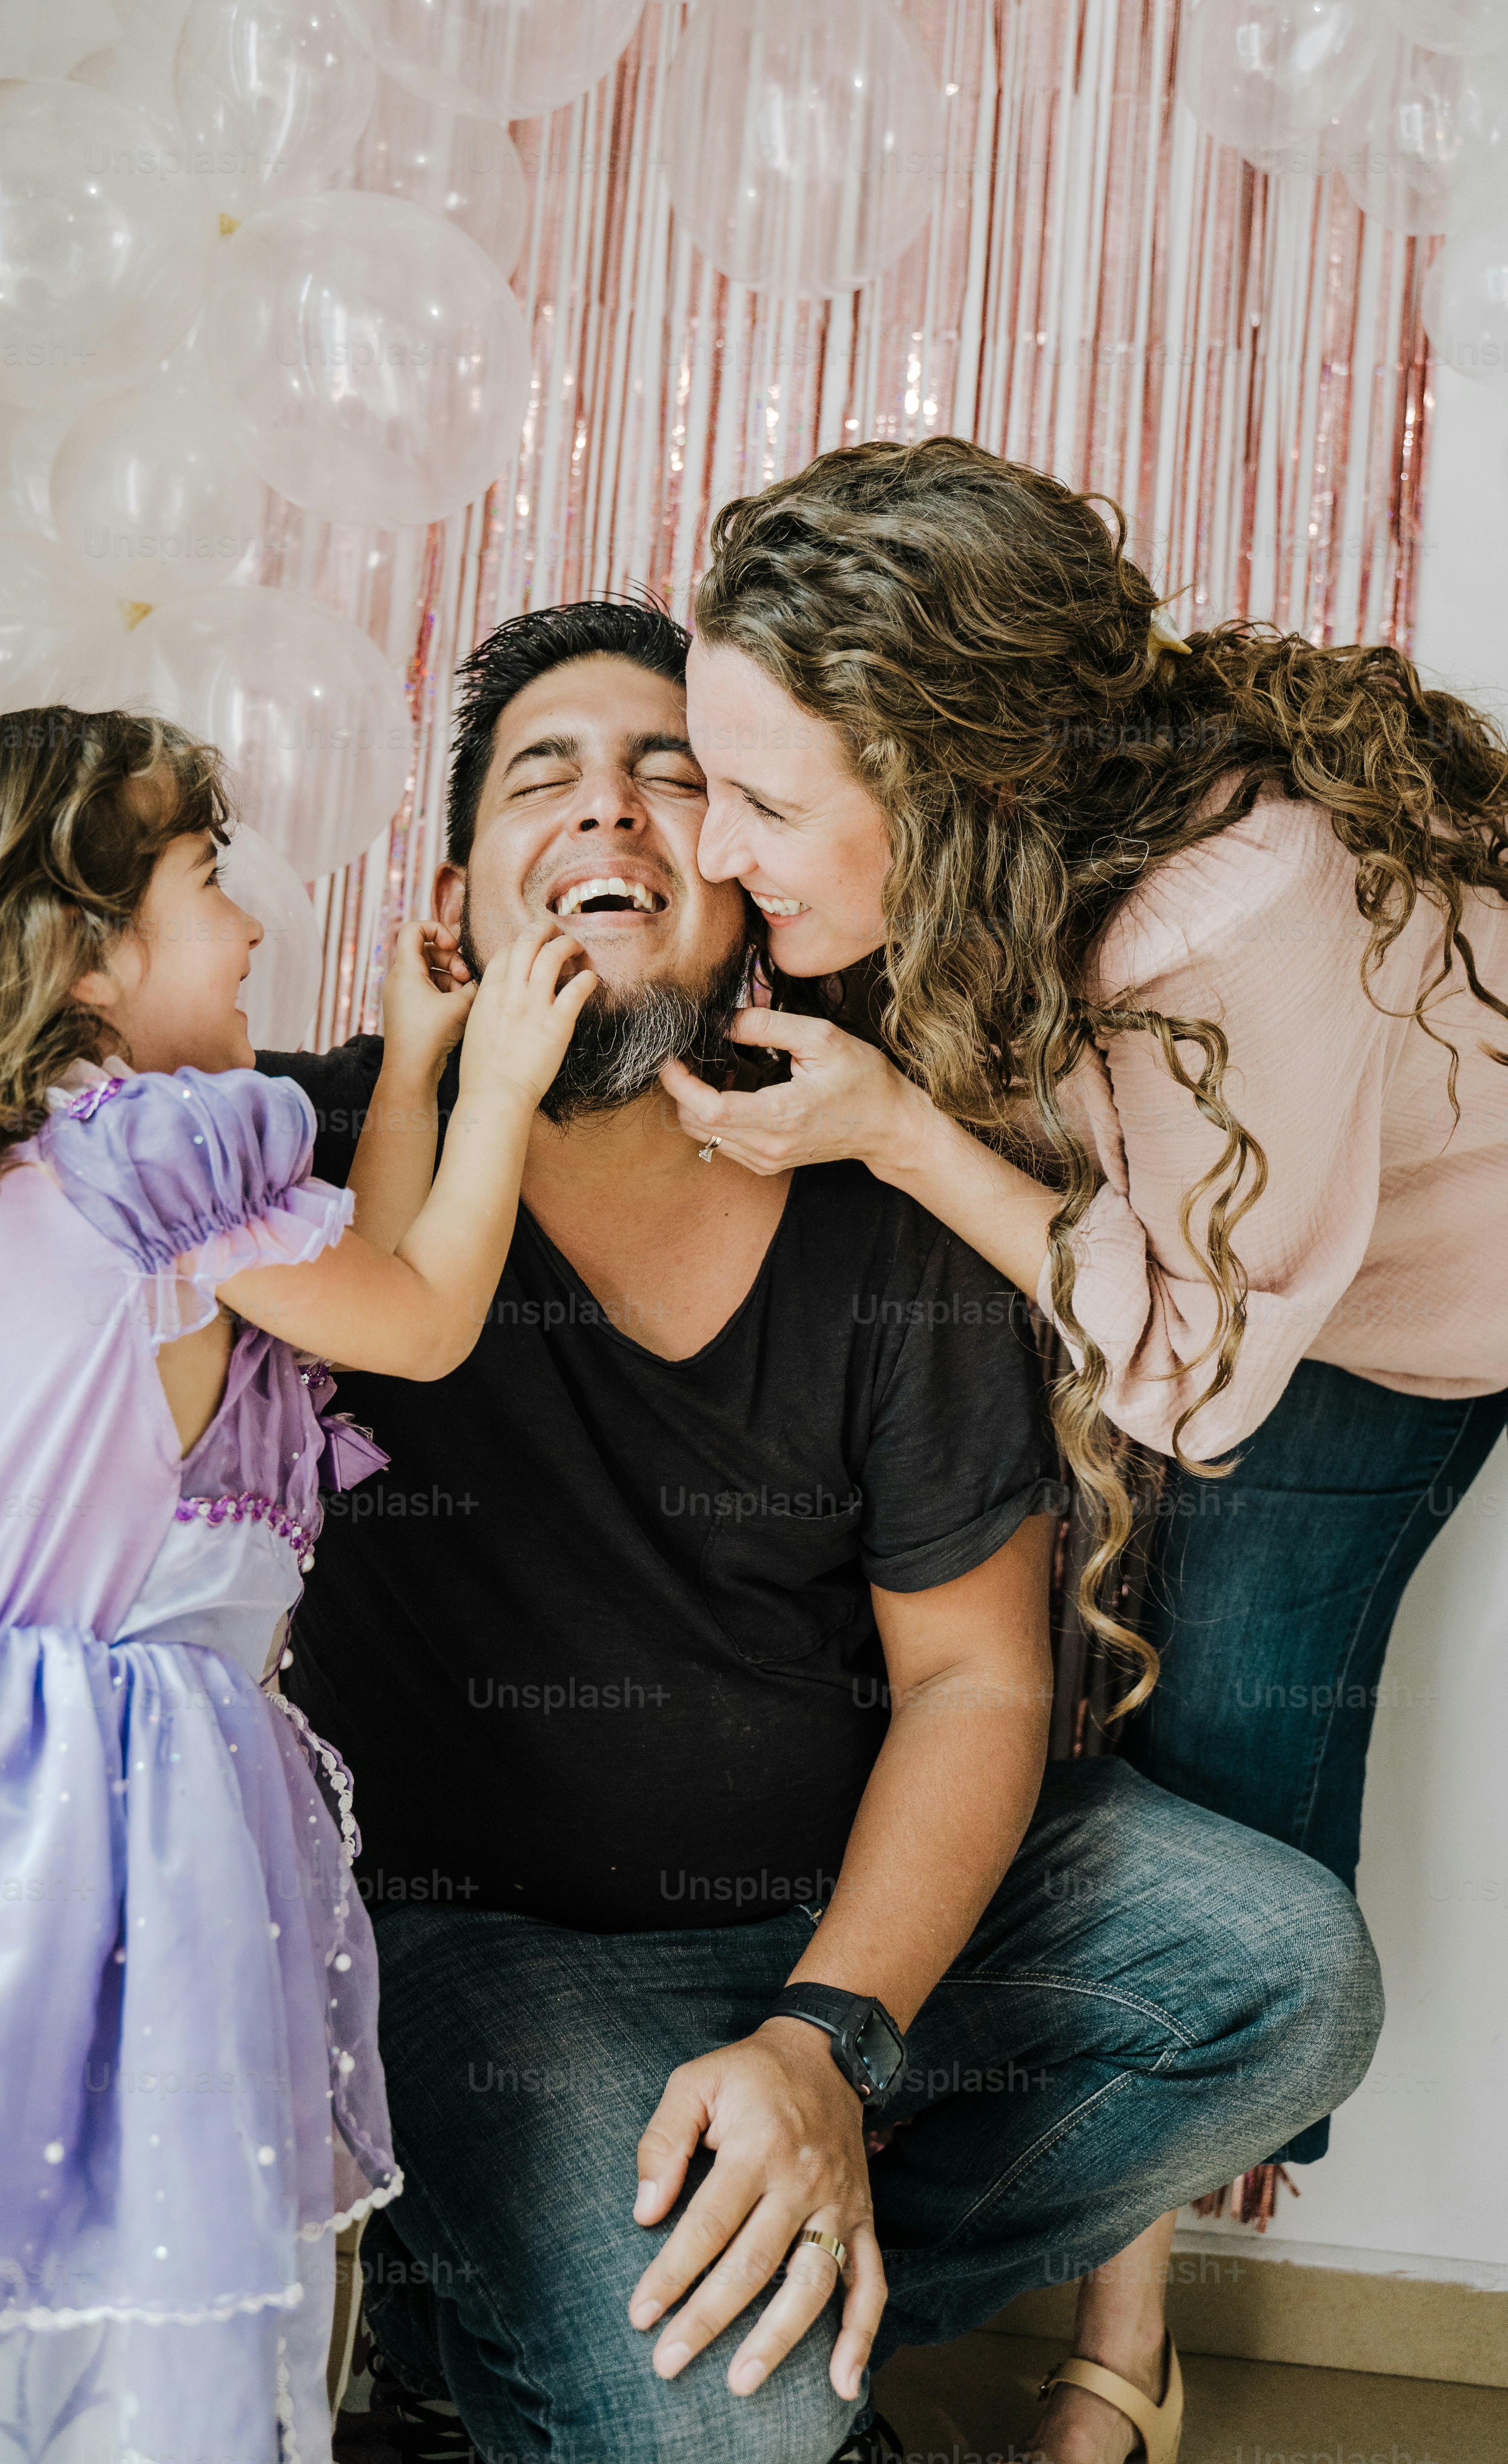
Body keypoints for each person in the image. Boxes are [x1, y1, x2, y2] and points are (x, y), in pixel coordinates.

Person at [260, 600, 1385, 2464]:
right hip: (490, 1953)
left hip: (838, 1915)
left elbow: (969, 1683)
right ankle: (593, 2330)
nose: (609, 811)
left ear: (752, 895)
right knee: (727, 2424)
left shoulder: (877, 1196)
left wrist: (822, 2042)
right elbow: (7, 1155)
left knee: (1288, 1977)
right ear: (455, 907)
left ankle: (748, 2282)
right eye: (546, 779)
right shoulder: (298, 1163)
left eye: (672, 779)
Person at [655, 437, 1508, 2464]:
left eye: (764, 802)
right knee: (1028, 1687)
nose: (717, 847)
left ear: (949, 782)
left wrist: (897, 1133)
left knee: (1219, 1760)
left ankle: (1128, 2332)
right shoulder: (1009, 845)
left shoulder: (1226, 919)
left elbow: (1199, 1379)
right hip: (1189, 1246)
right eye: (709, 780)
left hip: (1395, 1305)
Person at [0, 707, 596, 2462]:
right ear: (78, 957)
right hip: (95, 1785)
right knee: (137, 2213)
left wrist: (412, 1070)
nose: (249, 925)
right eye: (209, 880)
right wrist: (503, 1094)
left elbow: (356, 1280)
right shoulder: (151, 1151)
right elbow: (424, 1320)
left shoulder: (62, 1158)